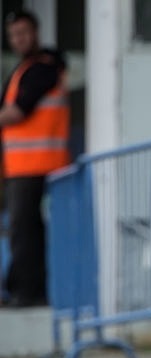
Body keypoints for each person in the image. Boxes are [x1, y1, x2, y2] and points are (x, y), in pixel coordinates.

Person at [0, 9, 70, 307]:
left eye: (24, 32)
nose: (19, 39)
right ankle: (23, 290)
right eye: (14, 34)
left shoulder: (41, 68)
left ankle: (25, 294)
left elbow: (17, 112)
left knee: (23, 231)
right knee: (26, 231)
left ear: (36, 32)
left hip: (36, 166)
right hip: (25, 166)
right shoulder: (29, 68)